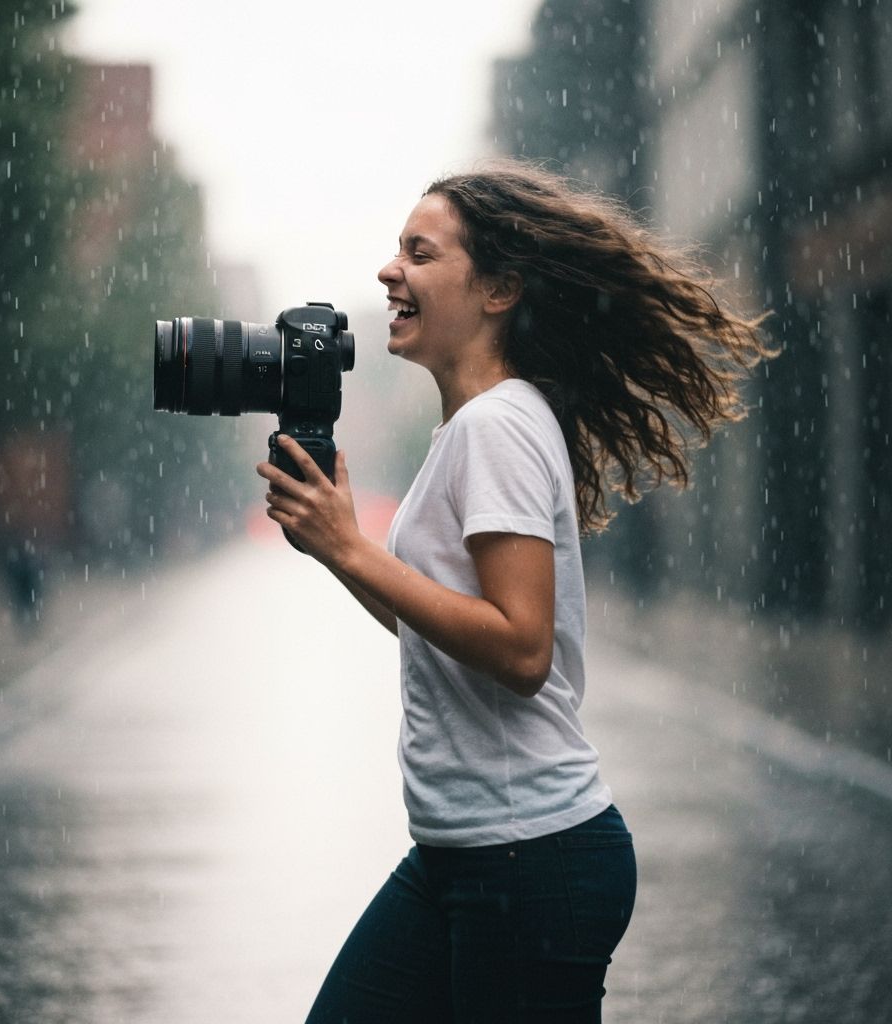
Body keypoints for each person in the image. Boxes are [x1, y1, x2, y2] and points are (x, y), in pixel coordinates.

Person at [256, 159, 772, 1023]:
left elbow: (521, 648)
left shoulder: (496, 425)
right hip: (468, 855)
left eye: (420, 254)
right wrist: (340, 553)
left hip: (527, 858)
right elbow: (443, 631)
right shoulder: (475, 425)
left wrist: (351, 545)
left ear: (498, 290)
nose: (389, 271)